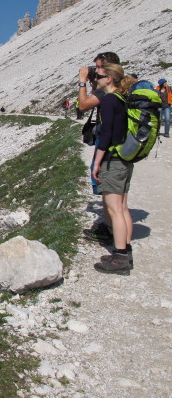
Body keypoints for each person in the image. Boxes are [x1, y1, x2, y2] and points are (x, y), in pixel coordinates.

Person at [91, 63, 134, 275]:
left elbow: (106, 134)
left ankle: (119, 259)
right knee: (123, 208)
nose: (95, 78)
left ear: (109, 78)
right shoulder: (122, 98)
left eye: (98, 75)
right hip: (125, 159)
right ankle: (126, 251)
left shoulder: (108, 100)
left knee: (114, 209)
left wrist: (97, 162)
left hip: (113, 160)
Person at [78, 52, 121, 243]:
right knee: (116, 197)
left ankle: (114, 236)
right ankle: (113, 230)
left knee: (110, 193)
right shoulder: (120, 86)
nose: (97, 71)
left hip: (110, 148)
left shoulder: (107, 92)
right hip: (120, 149)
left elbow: (83, 105)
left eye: (100, 68)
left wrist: (82, 83)